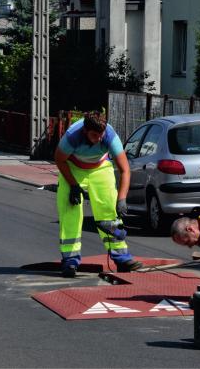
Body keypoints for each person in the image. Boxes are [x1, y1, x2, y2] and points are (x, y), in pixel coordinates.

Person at [54, 111, 142, 278]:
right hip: (72, 168)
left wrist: (122, 198)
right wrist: (73, 185)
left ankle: (121, 258)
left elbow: (125, 170)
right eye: (94, 135)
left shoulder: (109, 135)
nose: (99, 139)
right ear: (85, 131)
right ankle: (70, 261)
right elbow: (59, 159)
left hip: (100, 167)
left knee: (109, 211)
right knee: (70, 212)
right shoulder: (72, 136)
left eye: (101, 135)